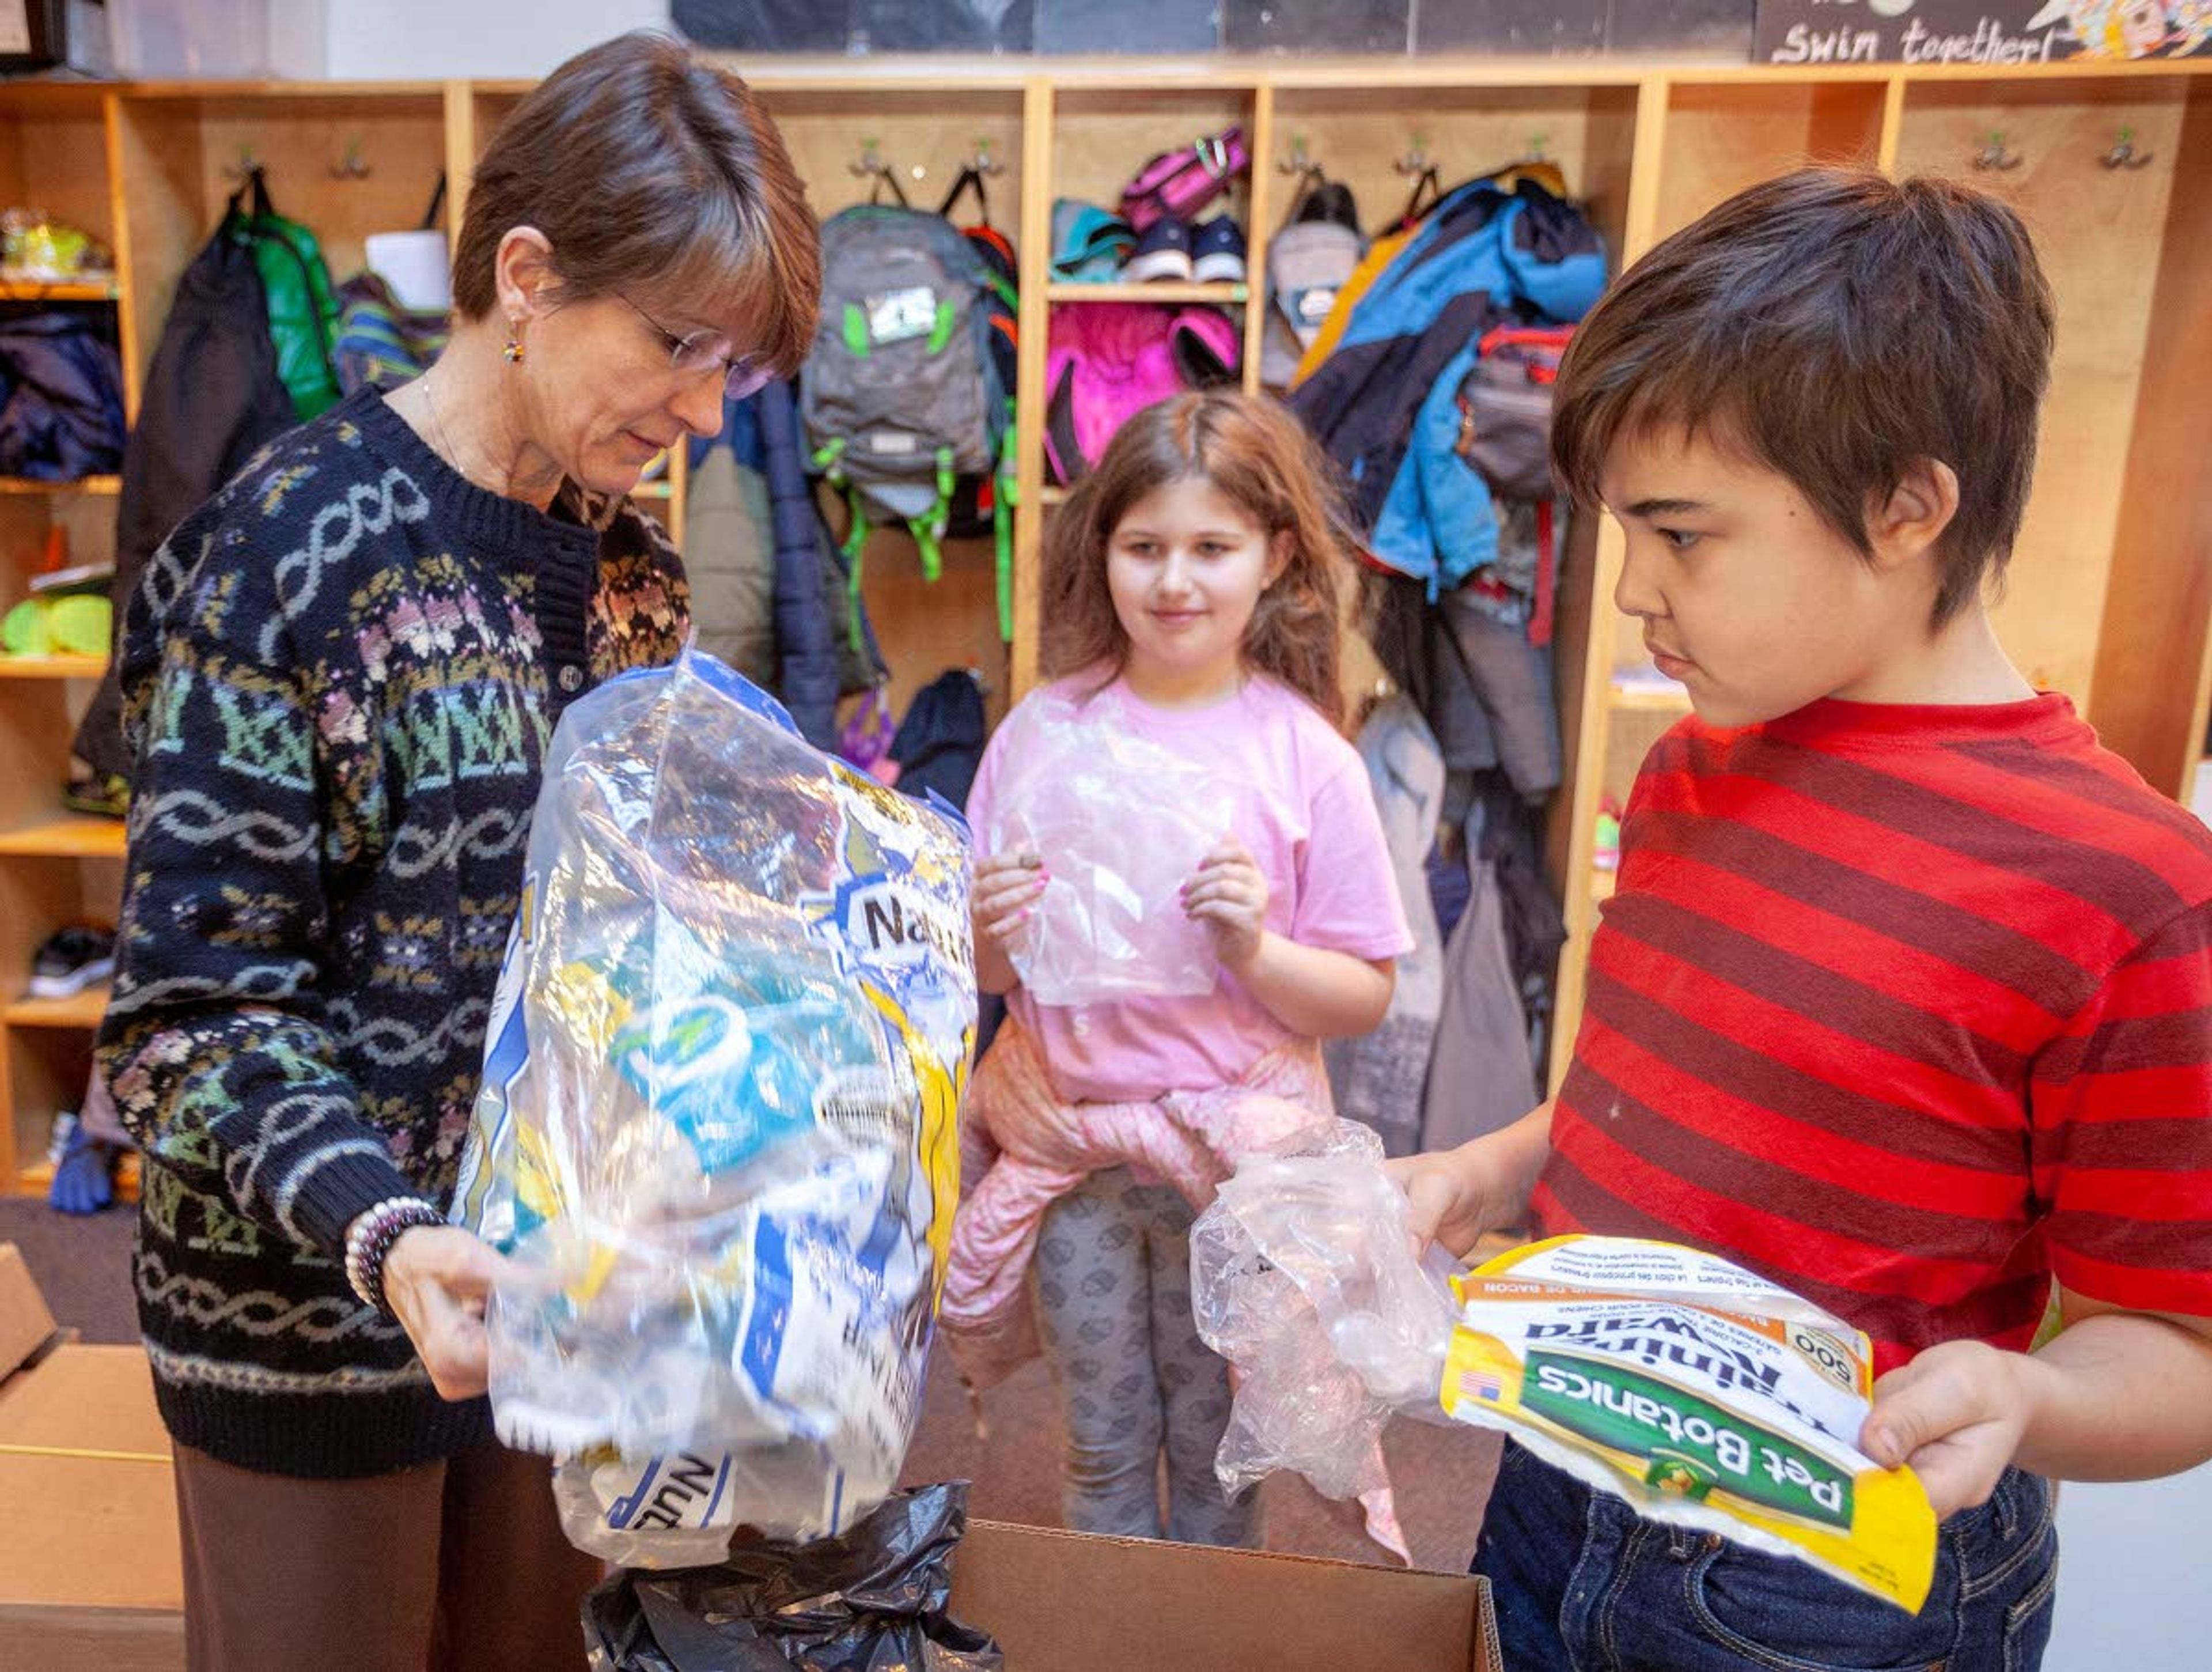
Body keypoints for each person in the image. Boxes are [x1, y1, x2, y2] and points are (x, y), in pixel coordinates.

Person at [1391, 167, 2212, 1671]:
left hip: (1832, 1570)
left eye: (1684, 535)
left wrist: (2032, 1400)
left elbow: (2184, 1345)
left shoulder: (2127, 889)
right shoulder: (1695, 769)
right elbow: (1684, 1100)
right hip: (1560, 1468)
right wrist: (1488, 1165)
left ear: (1907, 504)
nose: (1633, 589)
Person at [94, 33, 819, 1671]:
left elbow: (632, 920)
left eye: (738, 373)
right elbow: (188, 1019)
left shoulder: (626, 564)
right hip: (315, 1332)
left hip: (556, 1310)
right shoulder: (289, 549)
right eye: (678, 344)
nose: (705, 407)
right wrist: (384, 1229)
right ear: (528, 273)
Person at [943, 389, 1412, 1545]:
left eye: (1213, 547)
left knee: (1221, 1465)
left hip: (1236, 1171)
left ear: (1278, 557)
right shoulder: (1043, 732)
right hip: (1077, 1159)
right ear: (1101, 550)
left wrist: (1254, 947)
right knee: (1100, 1447)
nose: (1175, 580)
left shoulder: (1306, 755)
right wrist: (991, 928)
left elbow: (1365, 992)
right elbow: (986, 971)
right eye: (1144, 546)